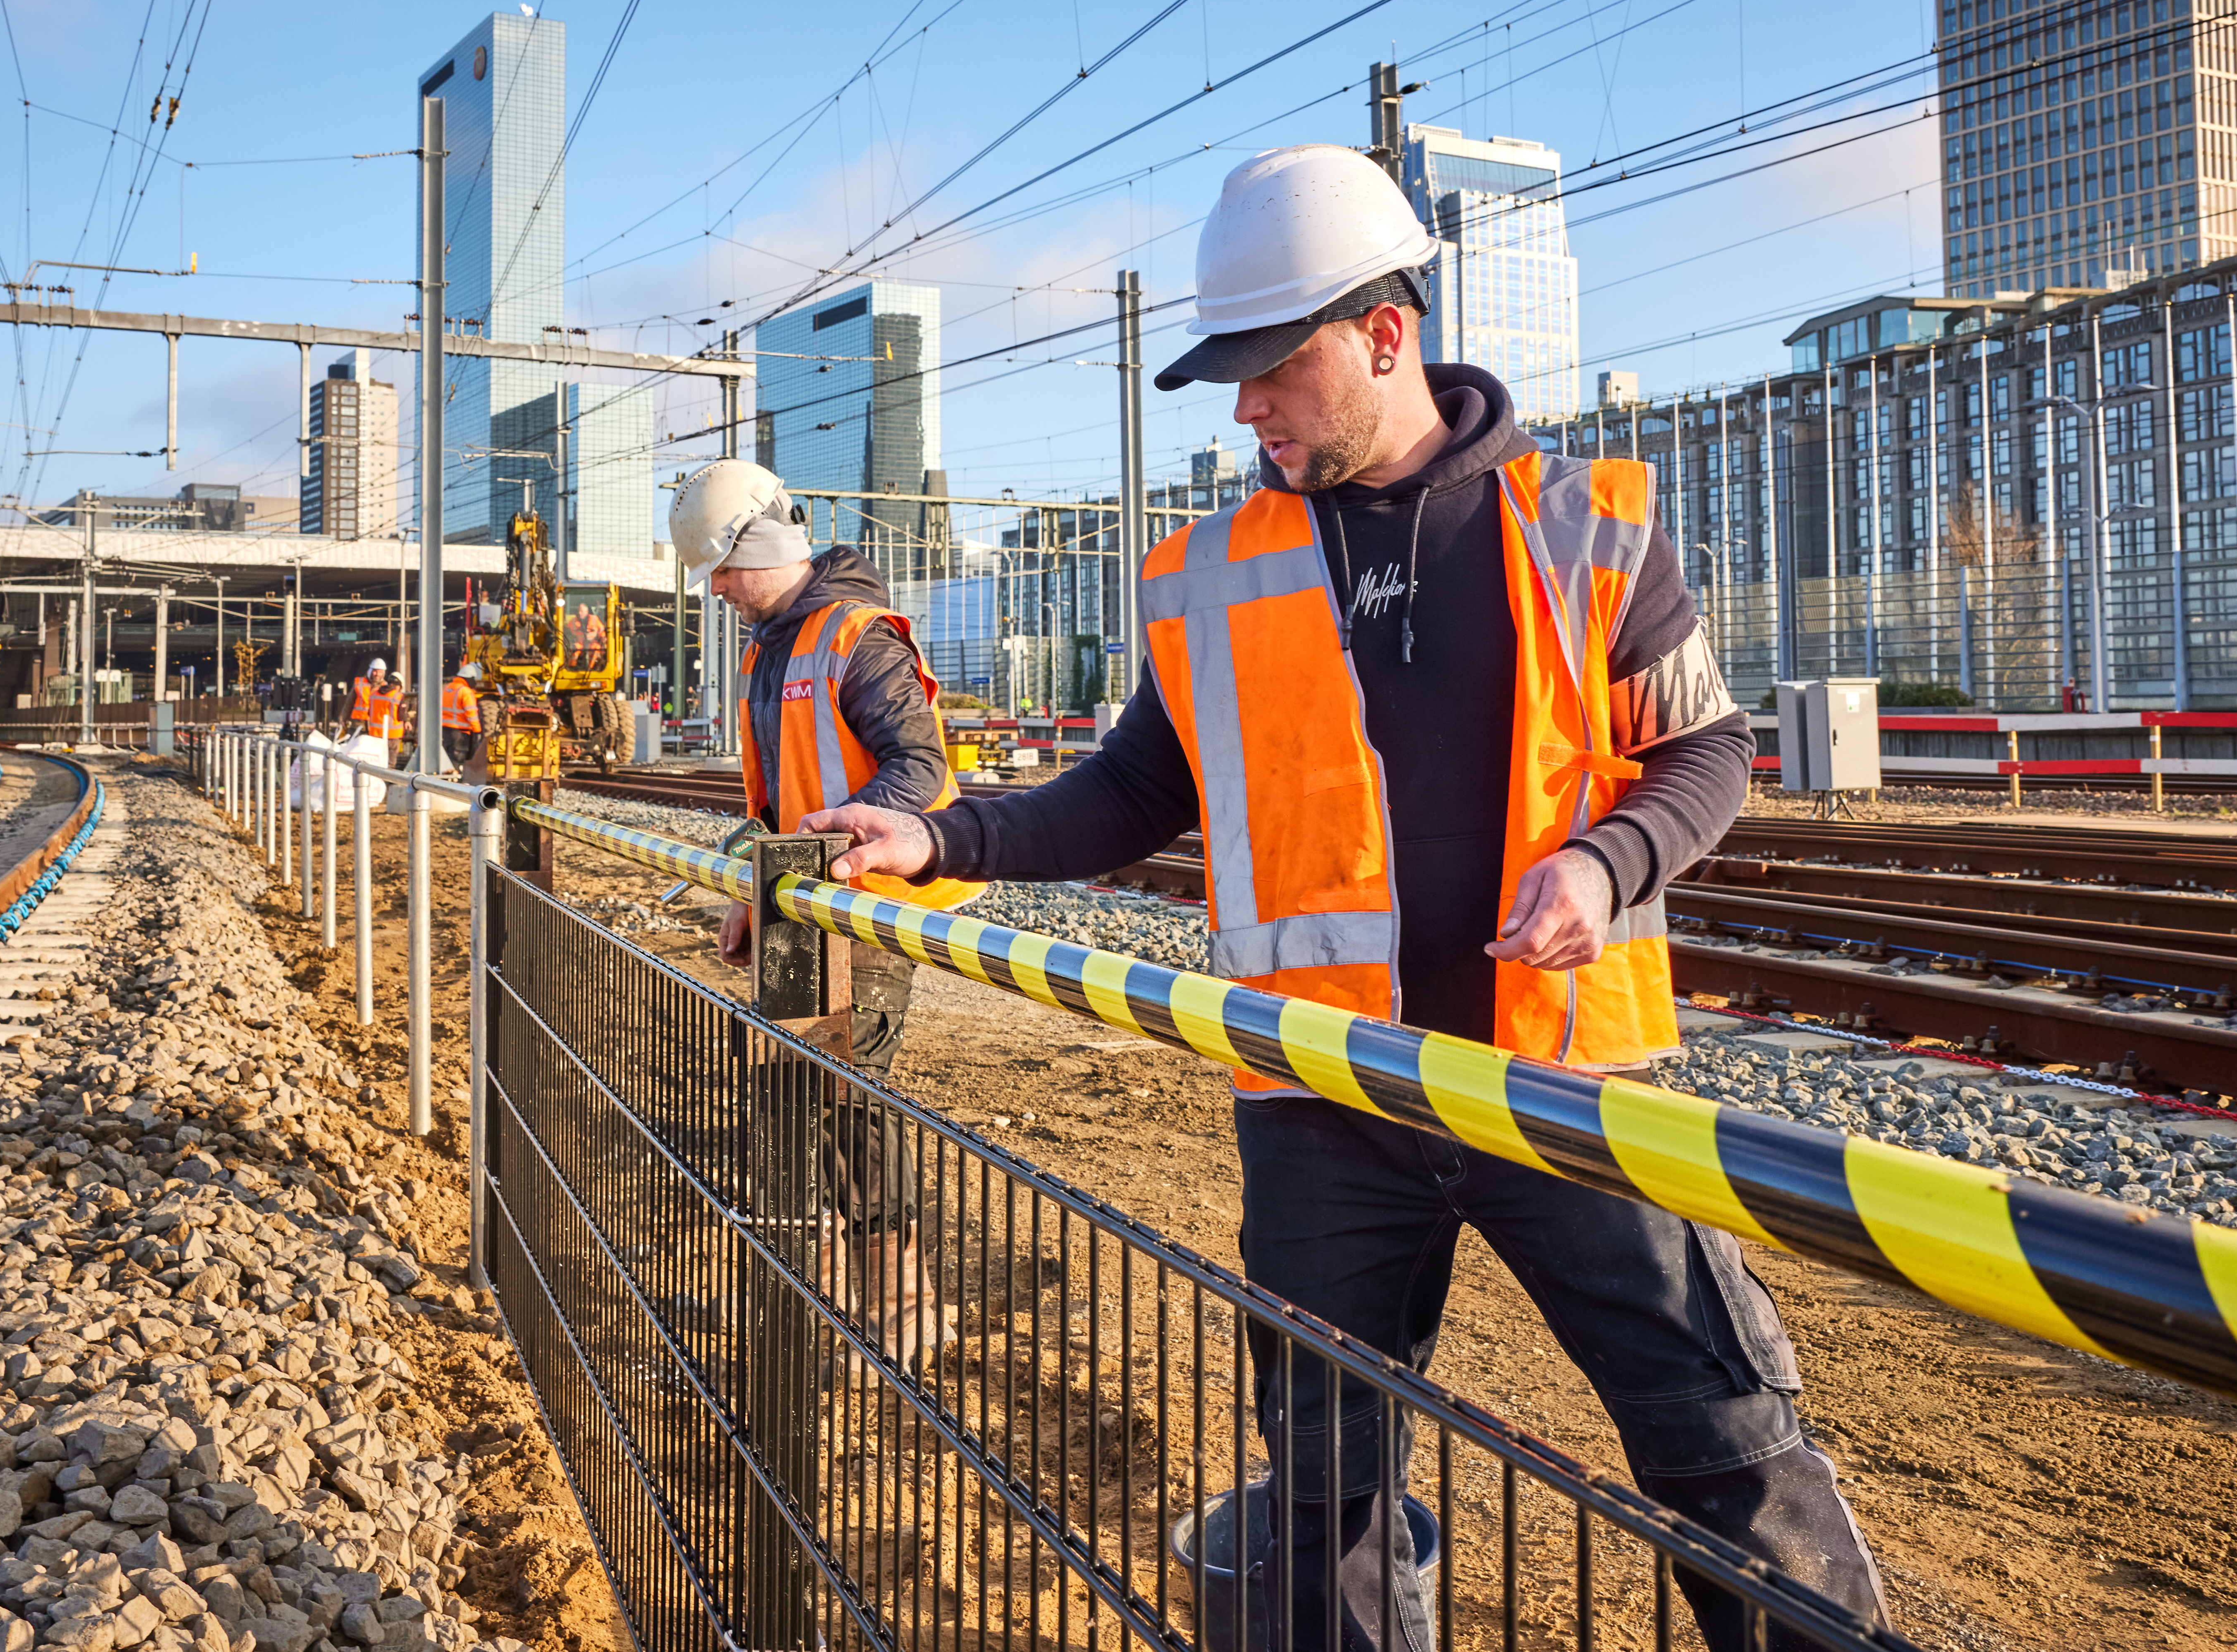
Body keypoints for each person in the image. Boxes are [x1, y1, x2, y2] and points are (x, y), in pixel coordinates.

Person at [805, 145, 1882, 1651]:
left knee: (1721, 1440)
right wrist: (945, 838)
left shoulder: (1588, 527)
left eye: (1270, 367)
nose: (1243, 406)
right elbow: (1127, 792)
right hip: (1322, 1100)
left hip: (1559, 1083)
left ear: (1385, 336)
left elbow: (1705, 752)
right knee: (1324, 1489)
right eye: (1230, 376)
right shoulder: (1211, 574)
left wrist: (1602, 861)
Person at [668, 458, 990, 1359]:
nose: (720, 588)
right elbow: (775, 802)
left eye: (724, 569)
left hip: (867, 910)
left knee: (848, 1105)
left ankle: (901, 1305)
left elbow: (917, 774)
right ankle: (808, 1293)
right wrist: (757, 890)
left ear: (762, 546)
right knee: (784, 1095)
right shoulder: (770, 648)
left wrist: (834, 848)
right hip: (799, 903)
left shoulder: (857, 639)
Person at [442, 661, 484, 774]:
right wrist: (478, 731)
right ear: (469, 678)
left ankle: (448, 780)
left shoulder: (448, 688)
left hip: (446, 730)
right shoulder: (466, 692)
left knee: (449, 757)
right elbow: (472, 714)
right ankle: (455, 783)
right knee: (458, 758)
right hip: (460, 732)